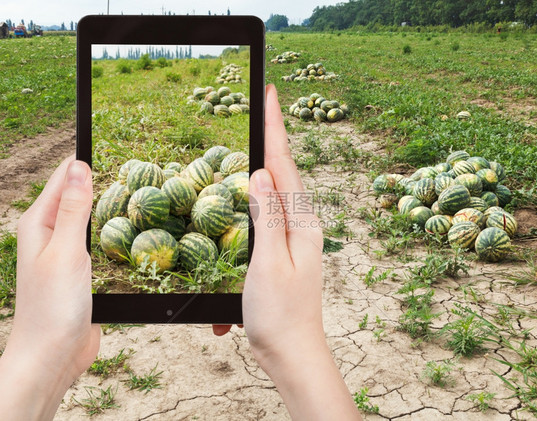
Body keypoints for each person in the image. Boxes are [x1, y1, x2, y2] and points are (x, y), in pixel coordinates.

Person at [0, 85, 362, 421]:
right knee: (150, 207)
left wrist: (43, 357)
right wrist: (296, 342)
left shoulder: (204, 203)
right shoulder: (150, 204)